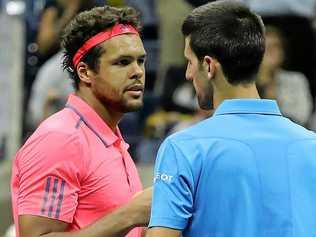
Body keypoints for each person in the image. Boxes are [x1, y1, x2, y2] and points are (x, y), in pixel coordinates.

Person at [146, 1, 316, 237]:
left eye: (190, 61)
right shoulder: (312, 146)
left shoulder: (183, 148)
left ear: (208, 66)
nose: (187, 73)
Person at [12, 5, 151, 237]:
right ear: (85, 72)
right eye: (123, 62)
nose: (137, 71)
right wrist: (129, 215)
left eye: (141, 61)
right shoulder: (61, 139)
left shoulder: (109, 138)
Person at [257, 26, 312, 126]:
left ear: (283, 52)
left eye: (276, 46)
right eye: (266, 46)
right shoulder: (245, 81)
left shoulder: (296, 80)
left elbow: (302, 116)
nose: (271, 51)